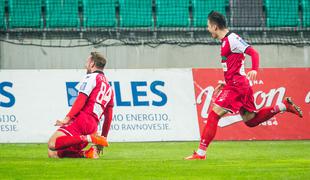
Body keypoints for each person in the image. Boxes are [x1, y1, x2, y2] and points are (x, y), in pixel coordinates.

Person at [185, 11, 303, 160]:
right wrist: (226, 82)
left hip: (237, 87)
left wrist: (254, 69)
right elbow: (234, 65)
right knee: (251, 120)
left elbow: (254, 53)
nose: (207, 29)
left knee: (213, 115)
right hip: (236, 84)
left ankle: (201, 154)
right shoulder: (225, 42)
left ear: (215, 27)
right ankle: (283, 106)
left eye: (208, 26)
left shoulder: (232, 39)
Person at [48, 52, 114, 159]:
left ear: (92, 63)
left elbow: (81, 99)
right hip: (93, 126)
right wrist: (103, 139)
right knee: (53, 154)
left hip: (82, 120)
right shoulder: (109, 88)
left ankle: (88, 138)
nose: (85, 65)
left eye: (87, 62)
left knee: (52, 143)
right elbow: (109, 118)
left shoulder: (91, 77)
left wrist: (66, 118)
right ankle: (86, 153)